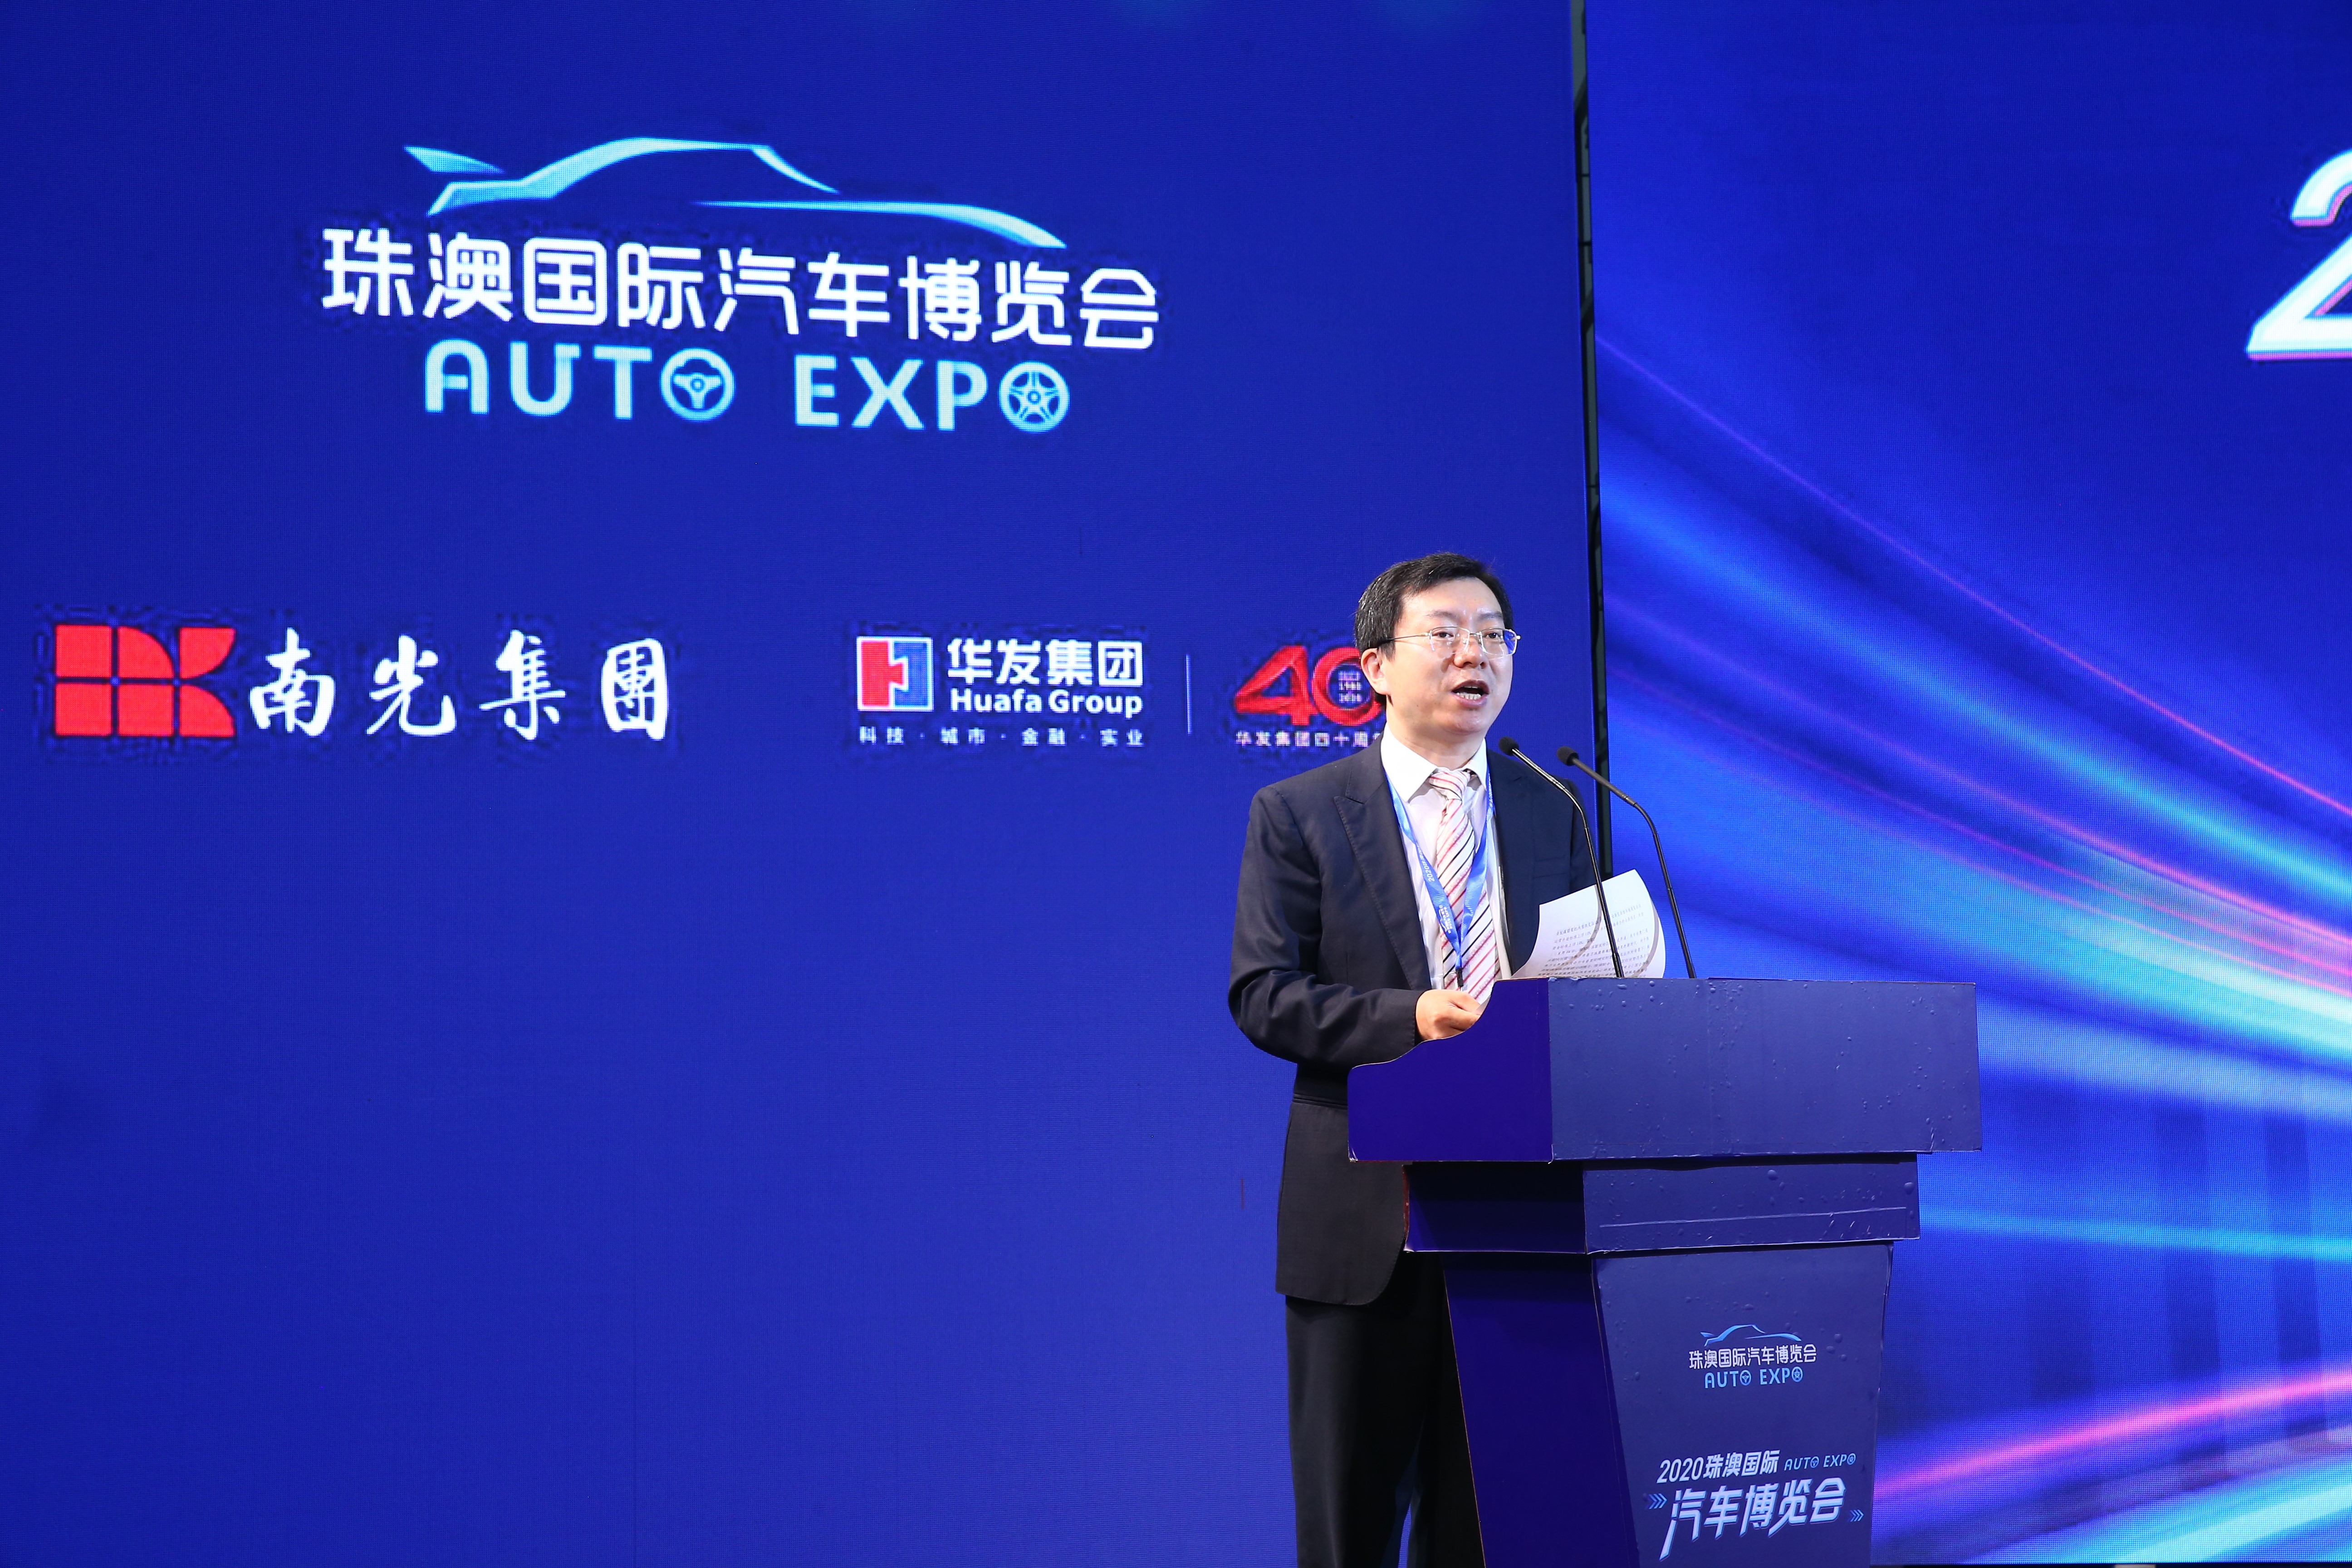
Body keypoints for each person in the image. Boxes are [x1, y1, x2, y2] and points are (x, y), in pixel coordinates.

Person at [1230, 553, 1595, 1568]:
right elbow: (1263, 993)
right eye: (1445, 634)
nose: (1475, 653)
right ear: (1376, 667)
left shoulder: (1551, 808)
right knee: (1348, 1532)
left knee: (1488, 1531)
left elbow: (1581, 976)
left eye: (1493, 635)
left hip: (1519, 1225)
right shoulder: (1301, 812)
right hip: (1366, 1221)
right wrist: (1410, 1017)